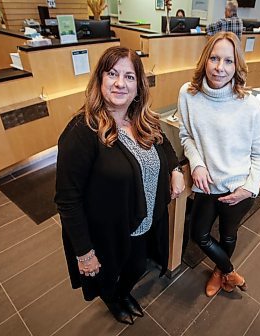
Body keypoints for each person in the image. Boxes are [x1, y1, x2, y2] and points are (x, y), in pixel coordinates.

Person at [55, 46, 185, 325]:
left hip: (144, 222)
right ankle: (114, 299)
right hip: (108, 232)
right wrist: (84, 252)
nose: (119, 83)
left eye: (128, 76)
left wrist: (174, 170)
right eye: (112, 73)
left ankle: (122, 293)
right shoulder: (83, 130)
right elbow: (67, 200)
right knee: (108, 273)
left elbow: (166, 149)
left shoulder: (144, 121)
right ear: (100, 80)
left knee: (137, 266)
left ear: (138, 86)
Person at [178, 31, 260, 297]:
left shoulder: (250, 105)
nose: (220, 67)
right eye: (214, 58)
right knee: (200, 235)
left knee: (229, 235)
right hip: (208, 185)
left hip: (239, 188)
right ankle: (230, 272)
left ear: (237, 65)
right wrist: (196, 163)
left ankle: (220, 273)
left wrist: (249, 188)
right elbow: (187, 136)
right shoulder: (188, 94)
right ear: (205, 60)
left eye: (228, 61)